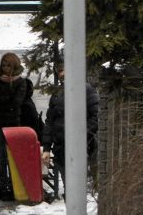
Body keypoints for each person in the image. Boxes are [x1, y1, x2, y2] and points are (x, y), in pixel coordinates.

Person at [40, 66, 101, 200]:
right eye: (60, 71)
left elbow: (96, 117)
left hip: (80, 147)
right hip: (60, 146)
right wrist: (46, 148)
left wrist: (80, 135)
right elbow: (50, 121)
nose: (62, 74)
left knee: (76, 186)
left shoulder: (87, 91)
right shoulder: (58, 94)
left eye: (65, 70)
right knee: (69, 184)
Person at [0, 52, 31, 201]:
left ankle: (11, 186)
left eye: (8, 65)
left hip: (13, 124)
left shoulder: (21, 82)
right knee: (0, 157)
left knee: (12, 157)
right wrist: (6, 99)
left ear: (14, 65)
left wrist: (1, 102)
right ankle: (3, 187)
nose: (5, 68)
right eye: (3, 65)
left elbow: (16, 103)